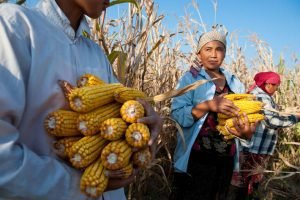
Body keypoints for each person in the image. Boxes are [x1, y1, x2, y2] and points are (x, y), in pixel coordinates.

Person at [0, 0, 162, 199]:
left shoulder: (96, 53)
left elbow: (120, 114)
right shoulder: (13, 25)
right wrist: (79, 184)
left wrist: (146, 123)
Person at [170, 26, 258, 200]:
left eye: (219, 49)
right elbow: (178, 116)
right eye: (208, 49)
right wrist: (209, 105)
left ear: (225, 54)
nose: (213, 54)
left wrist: (247, 133)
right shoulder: (190, 79)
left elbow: (246, 119)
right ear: (199, 53)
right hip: (196, 159)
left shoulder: (235, 83)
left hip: (226, 159)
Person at [229, 71, 300, 200]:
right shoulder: (262, 96)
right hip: (255, 148)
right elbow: (272, 121)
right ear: (265, 84)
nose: (275, 88)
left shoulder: (257, 94)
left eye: (277, 85)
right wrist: (295, 118)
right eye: (273, 84)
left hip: (252, 146)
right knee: (247, 182)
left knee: (245, 181)